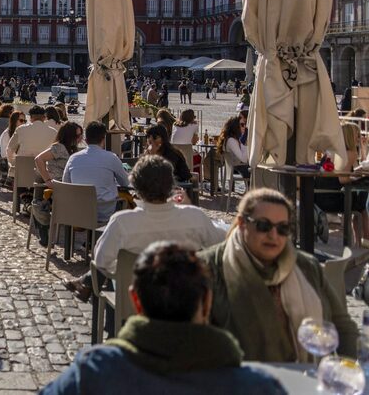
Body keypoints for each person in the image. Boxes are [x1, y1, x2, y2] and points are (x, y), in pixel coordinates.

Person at [43, 242, 286, 394]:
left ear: (135, 300)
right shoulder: (256, 386)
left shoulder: (94, 373)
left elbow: (102, 260)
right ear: (207, 301)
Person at [200, 188, 358, 362]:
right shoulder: (208, 268)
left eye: (282, 228)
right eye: (263, 226)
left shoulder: (307, 266)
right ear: (242, 223)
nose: (273, 235)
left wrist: (344, 369)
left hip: (306, 380)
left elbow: (343, 327)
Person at [65, 156, 226, 302]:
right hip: (184, 302)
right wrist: (189, 209)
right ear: (171, 185)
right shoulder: (194, 217)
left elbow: (101, 261)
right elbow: (221, 243)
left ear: (136, 187)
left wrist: (123, 269)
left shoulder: (122, 222)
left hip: (135, 300)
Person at [62, 121, 129, 223]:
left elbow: (65, 184)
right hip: (104, 212)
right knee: (128, 200)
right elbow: (126, 182)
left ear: (86, 140)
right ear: (103, 139)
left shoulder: (73, 158)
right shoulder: (111, 158)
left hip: (78, 212)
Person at [6, 104, 58, 172]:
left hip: (23, 170)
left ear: (30, 118)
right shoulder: (53, 132)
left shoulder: (21, 129)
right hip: (44, 172)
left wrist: (13, 162)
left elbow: (9, 149)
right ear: (44, 118)